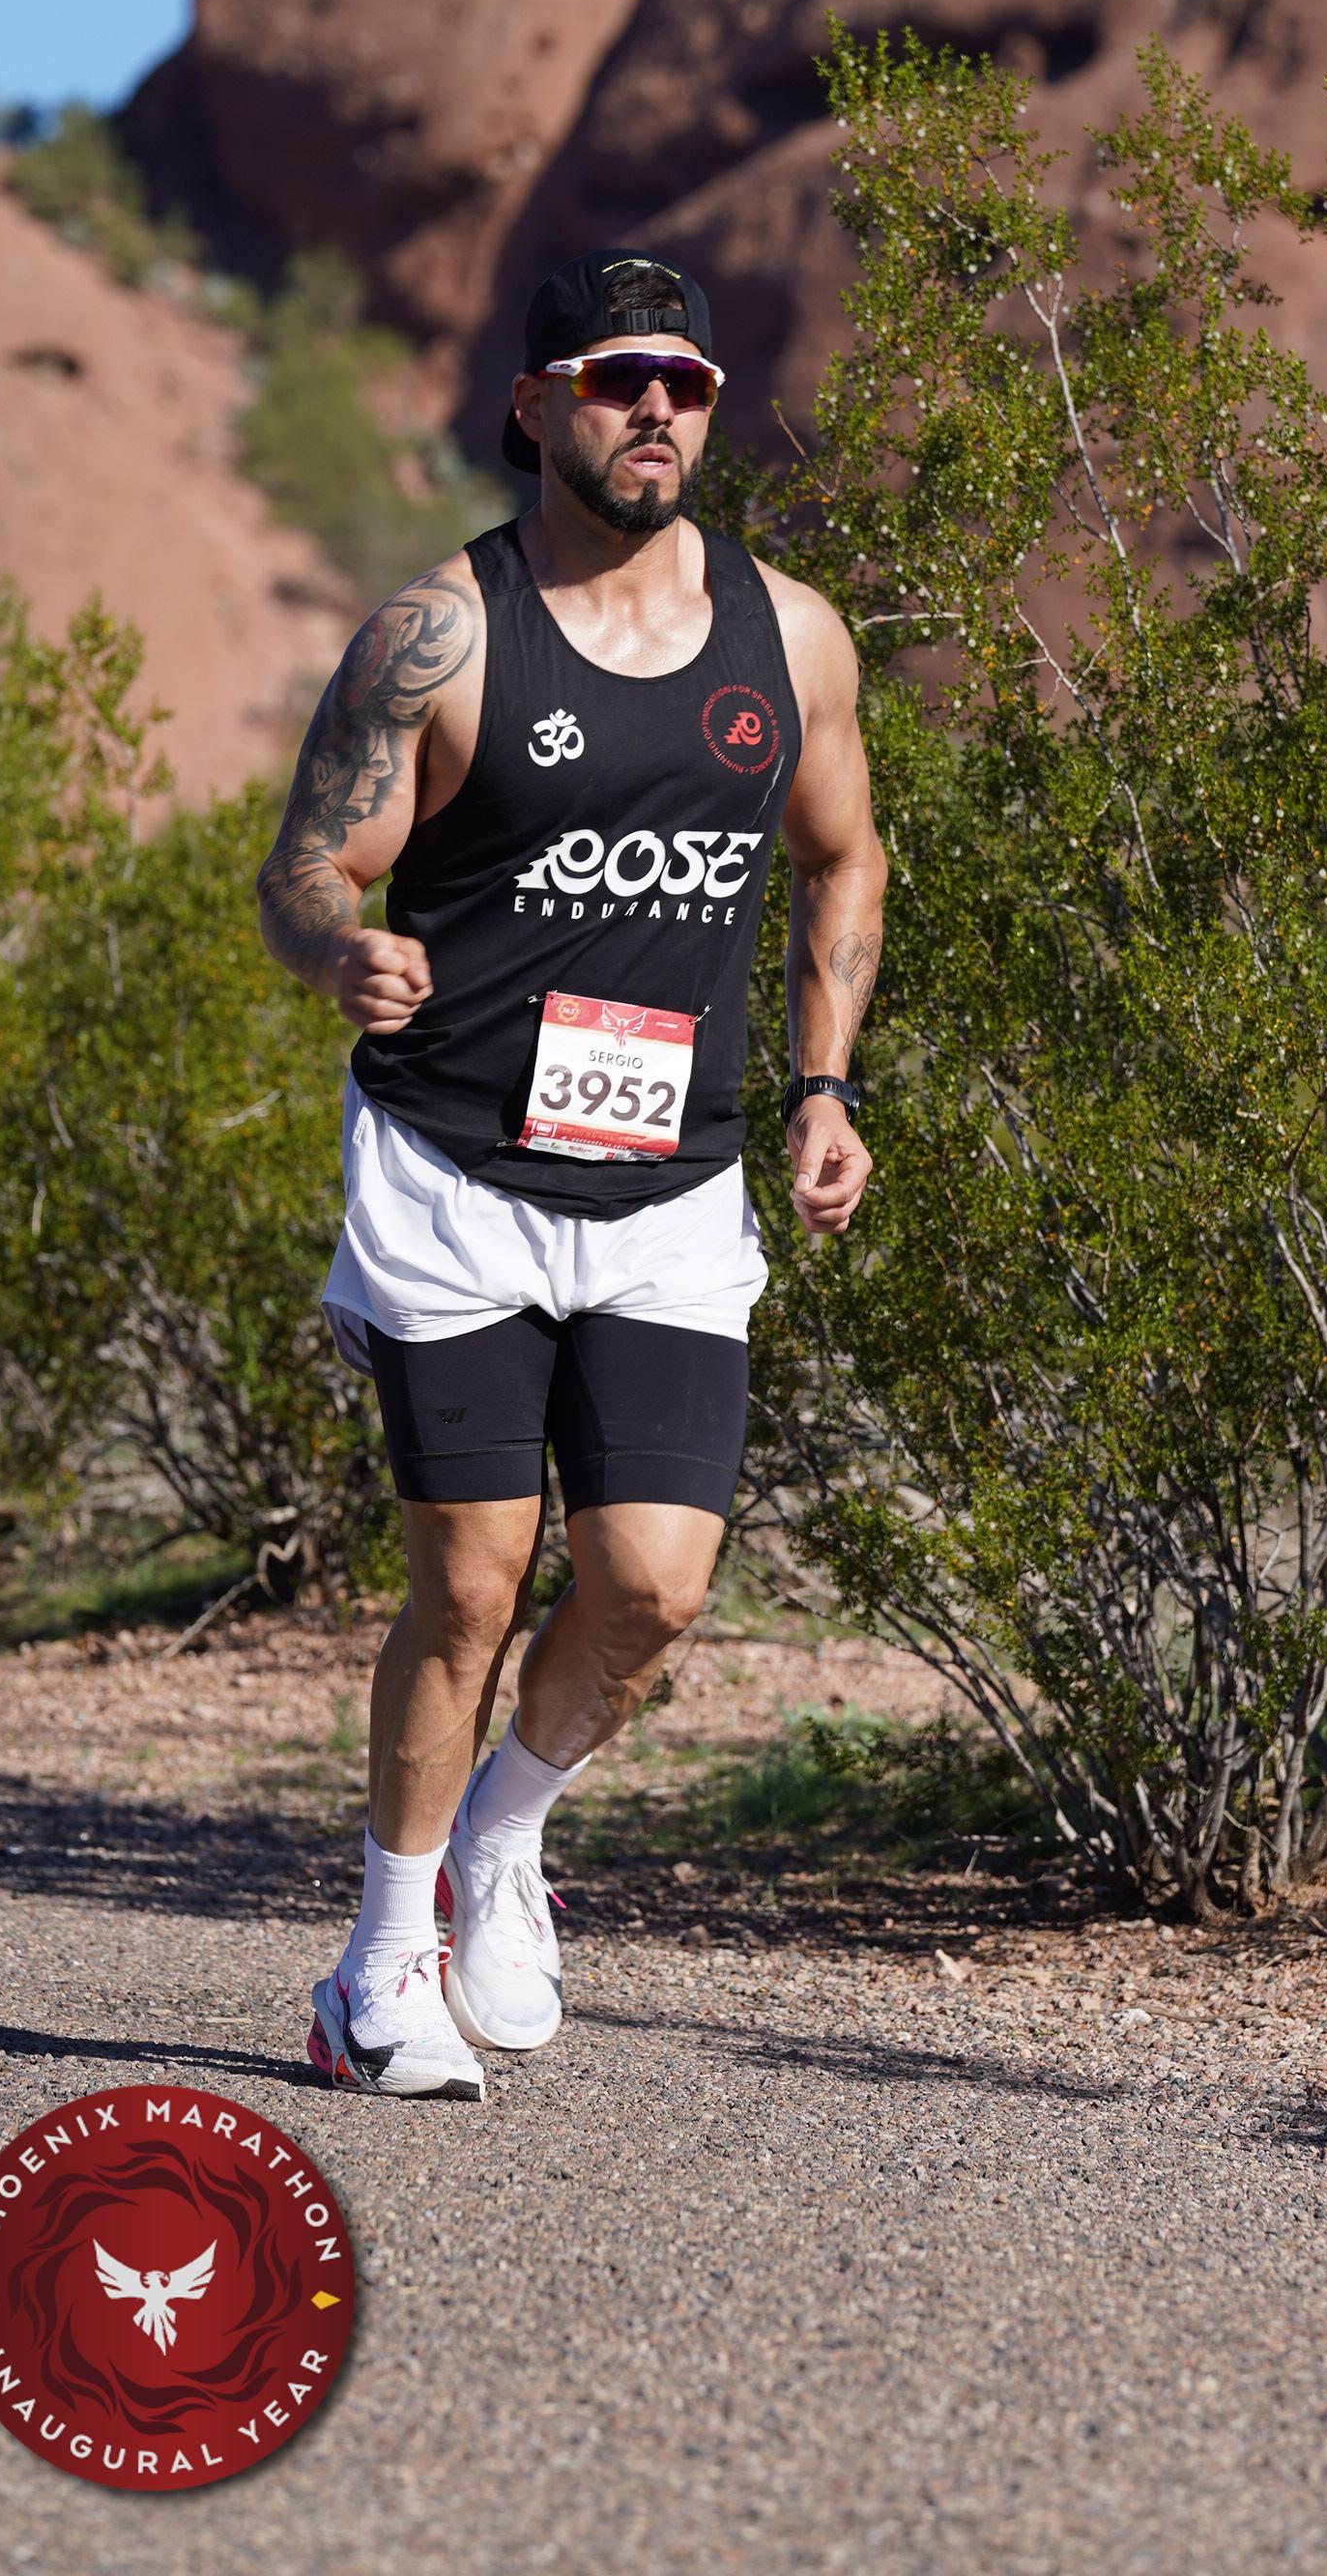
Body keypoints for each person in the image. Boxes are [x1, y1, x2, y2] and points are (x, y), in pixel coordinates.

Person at [257, 250, 886, 2098]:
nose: (657, 412)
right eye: (619, 380)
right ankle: (378, 1970)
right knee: (468, 1591)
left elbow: (844, 854)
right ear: (537, 403)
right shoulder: (441, 635)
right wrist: (339, 949)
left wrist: (825, 1085)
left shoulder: (792, 638)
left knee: (654, 1590)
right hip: (454, 1170)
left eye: (686, 383)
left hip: (673, 1184)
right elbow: (306, 866)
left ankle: (504, 1837)